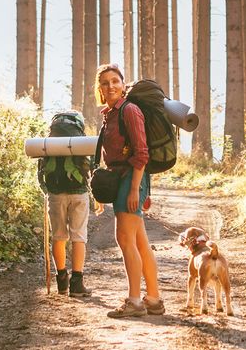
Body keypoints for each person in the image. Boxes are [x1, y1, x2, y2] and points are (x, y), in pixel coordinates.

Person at [95, 64, 165, 318]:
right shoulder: (111, 114)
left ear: (123, 85)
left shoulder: (130, 110)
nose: (110, 86)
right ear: (100, 89)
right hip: (123, 179)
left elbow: (142, 153)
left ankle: (135, 301)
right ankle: (154, 299)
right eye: (105, 83)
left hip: (131, 178)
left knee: (124, 239)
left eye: (115, 81)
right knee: (139, 241)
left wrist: (135, 189)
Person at [36, 109, 92, 297]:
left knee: (58, 236)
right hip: (79, 193)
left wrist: (46, 190)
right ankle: (77, 283)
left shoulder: (50, 142)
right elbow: (90, 166)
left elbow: (41, 169)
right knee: (79, 237)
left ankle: (61, 281)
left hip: (55, 193)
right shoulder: (80, 139)